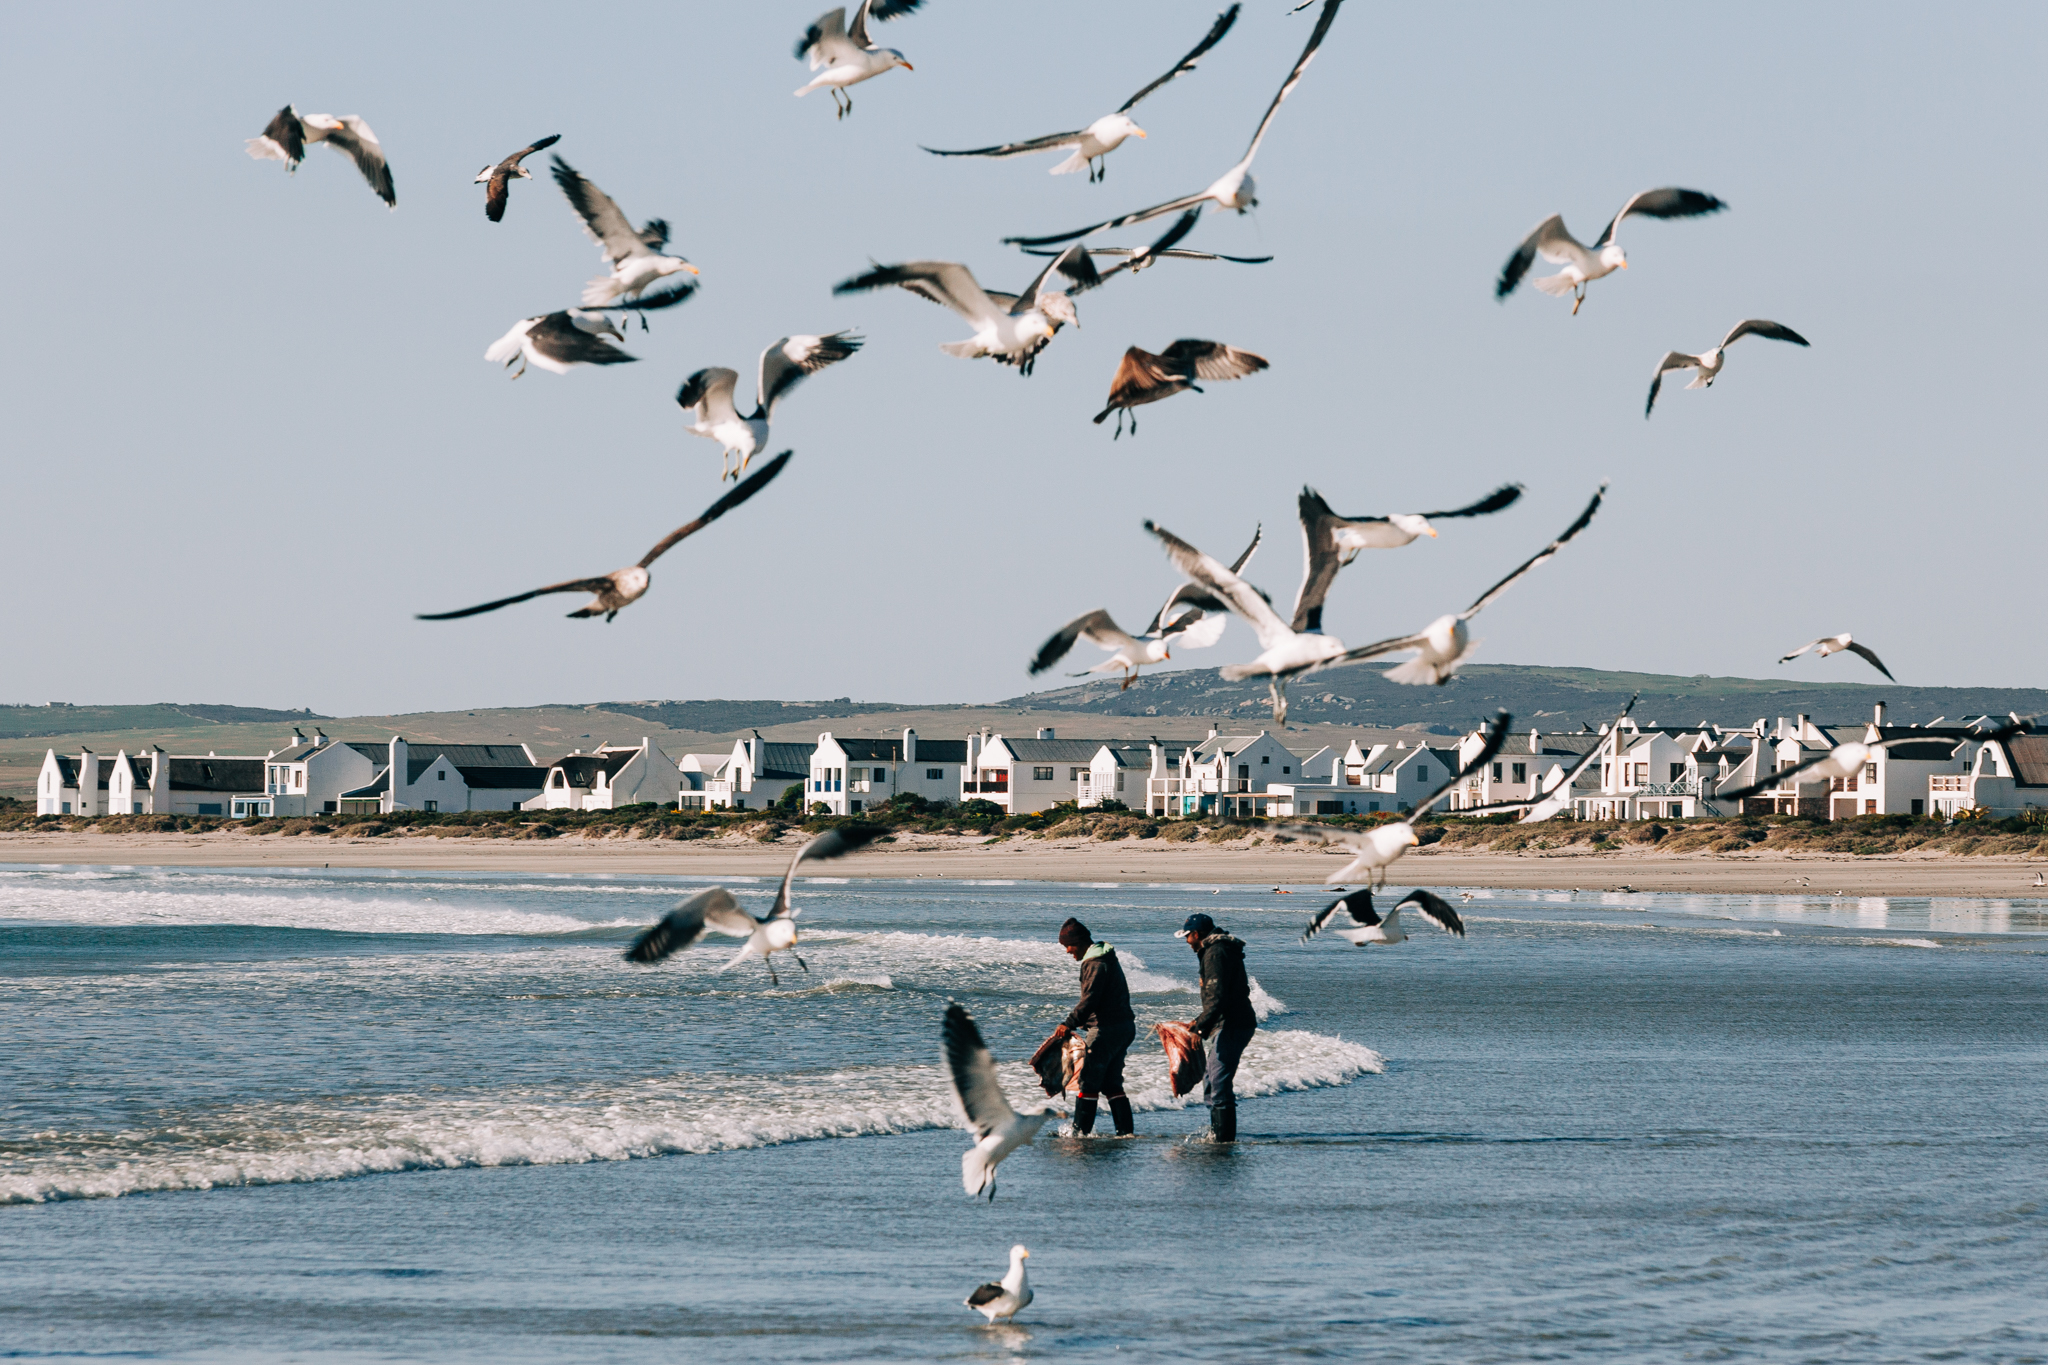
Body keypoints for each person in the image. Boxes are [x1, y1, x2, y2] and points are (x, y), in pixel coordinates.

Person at [1048, 917, 1137, 1136]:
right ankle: (1126, 1133)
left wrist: (1068, 1023)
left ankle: (1080, 1135)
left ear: (1078, 942)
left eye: (1068, 946)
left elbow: (1090, 1000)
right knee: (1111, 1083)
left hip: (1105, 1030)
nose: (1068, 951)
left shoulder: (1095, 963)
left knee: (1087, 1081)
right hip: (1123, 1027)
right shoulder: (1106, 958)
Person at [1181, 912, 1257, 1142]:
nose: (1186, 942)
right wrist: (1199, 1021)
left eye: (1187, 936)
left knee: (1217, 1082)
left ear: (1196, 934)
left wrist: (1200, 1028)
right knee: (1212, 1079)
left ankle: (1223, 1142)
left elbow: (1217, 997)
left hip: (1232, 1023)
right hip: (1231, 1022)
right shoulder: (1217, 949)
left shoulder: (1215, 953)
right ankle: (1218, 1134)